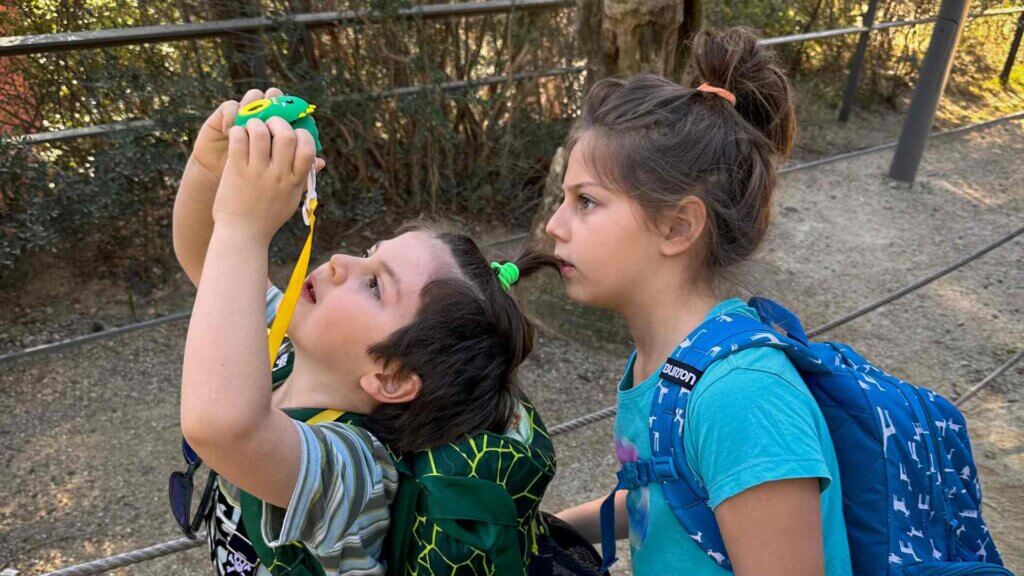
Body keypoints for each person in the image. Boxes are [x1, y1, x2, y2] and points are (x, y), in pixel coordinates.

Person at [172, 88, 560, 576]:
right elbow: (208, 262)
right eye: (368, 251)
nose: (339, 263)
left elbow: (223, 427)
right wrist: (212, 170)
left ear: (391, 377)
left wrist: (244, 227)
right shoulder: (288, 347)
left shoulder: (356, 471)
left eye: (375, 284)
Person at [548, 28, 853, 576]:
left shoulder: (741, 397)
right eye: (563, 199)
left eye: (586, 202)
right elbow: (665, 497)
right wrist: (554, 528)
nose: (554, 225)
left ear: (677, 226)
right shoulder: (663, 363)